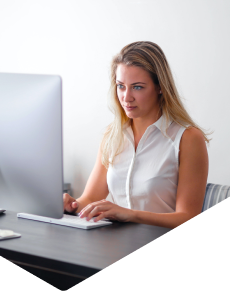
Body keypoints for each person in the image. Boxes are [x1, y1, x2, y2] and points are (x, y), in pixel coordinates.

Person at [63, 41, 210, 229]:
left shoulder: (188, 138)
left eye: (138, 87)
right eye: (121, 86)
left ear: (160, 87)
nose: (126, 97)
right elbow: (90, 198)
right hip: (114, 246)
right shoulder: (112, 135)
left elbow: (187, 217)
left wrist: (131, 215)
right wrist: (70, 206)